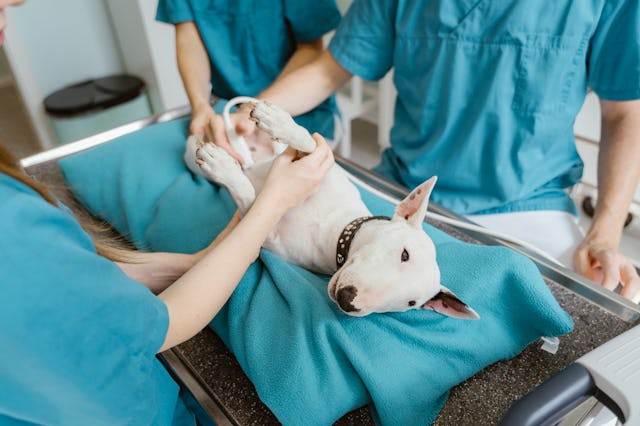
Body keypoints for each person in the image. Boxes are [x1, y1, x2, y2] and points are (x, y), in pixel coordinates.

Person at [0, 2, 334, 423]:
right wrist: (268, 207)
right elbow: (164, 323)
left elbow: (68, 273)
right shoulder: (11, 223)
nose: (16, 2)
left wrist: (196, 262)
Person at [216, 0, 640, 302]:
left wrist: (604, 233)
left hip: (528, 208)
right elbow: (329, 71)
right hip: (400, 190)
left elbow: (625, 115)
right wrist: (249, 114)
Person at [156, 0, 343, 162]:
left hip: (301, 108)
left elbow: (311, 49)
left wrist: (253, 111)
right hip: (227, 107)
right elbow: (189, 42)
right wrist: (200, 106)